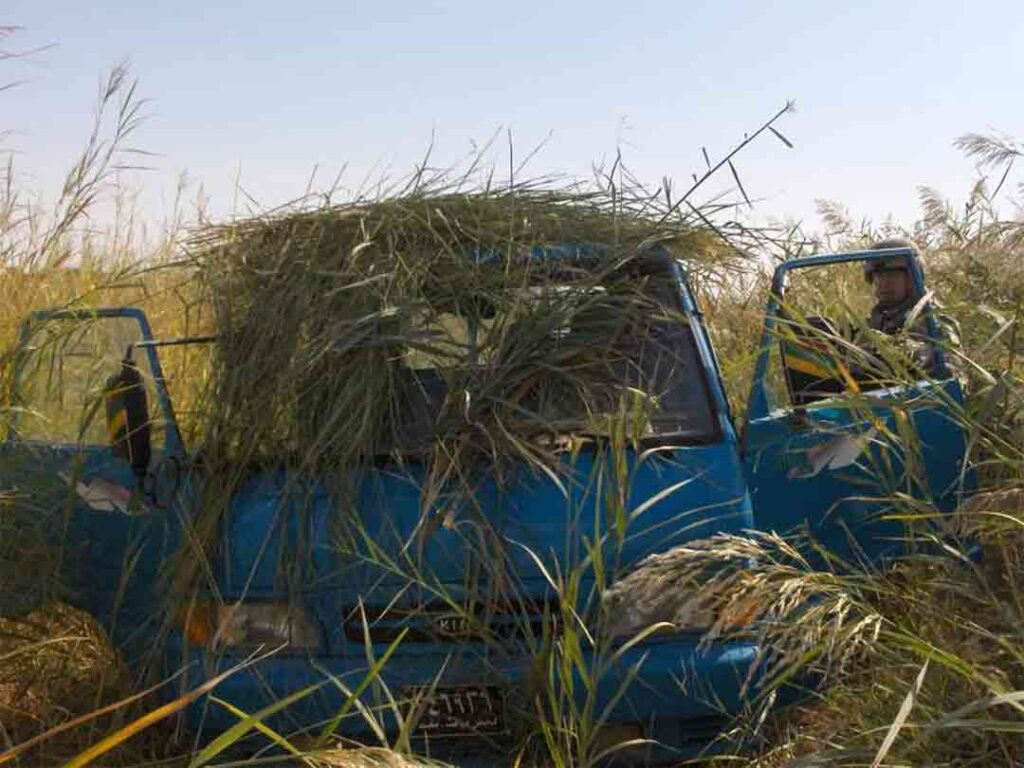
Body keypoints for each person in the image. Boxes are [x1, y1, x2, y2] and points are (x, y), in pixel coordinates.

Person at [862, 237, 962, 380]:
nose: (882, 283)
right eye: (878, 275)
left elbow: (947, 375)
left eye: (892, 274)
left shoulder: (933, 319)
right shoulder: (882, 315)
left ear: (913, 277)